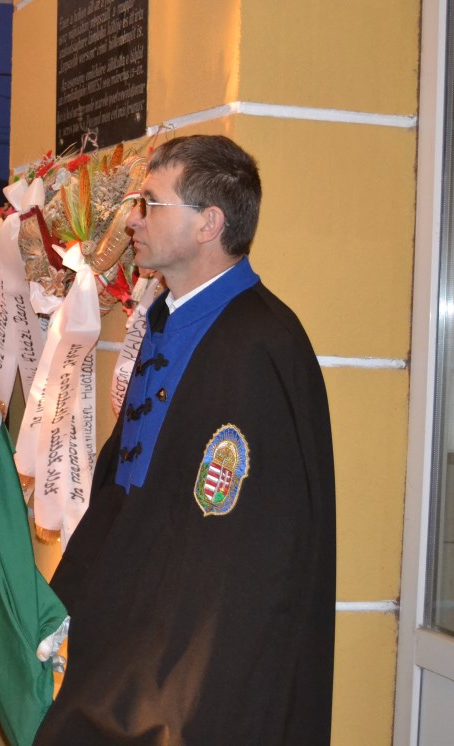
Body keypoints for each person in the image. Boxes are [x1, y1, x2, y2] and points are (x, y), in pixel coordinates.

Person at [34, 135, 336, 745]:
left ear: (209, 224)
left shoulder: (260, 343)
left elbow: (255, 548)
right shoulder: (168, 319)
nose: (134, 220)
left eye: (150, 204)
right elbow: (126, 481)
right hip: (134, 617)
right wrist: (68, 598)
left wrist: (184, 681)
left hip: (196, 652)